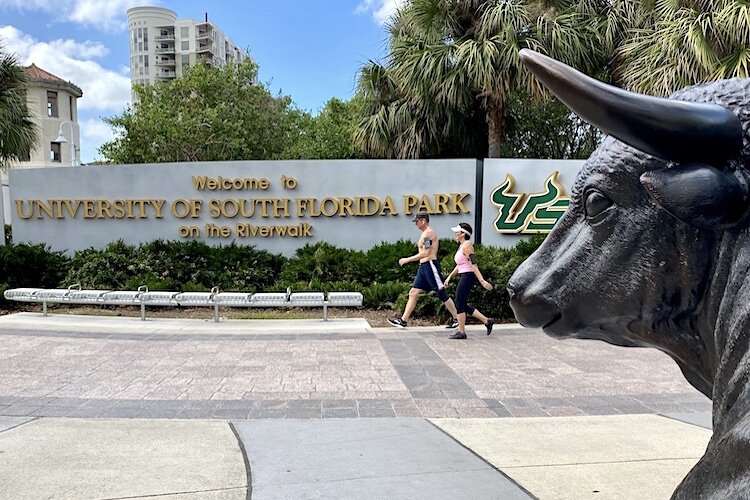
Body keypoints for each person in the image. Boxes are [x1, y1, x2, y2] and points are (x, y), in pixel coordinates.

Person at [387, 213, 459, 328]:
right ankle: (403, 320)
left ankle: (457, 318)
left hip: (430, 265)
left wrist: (407, 260)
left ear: (423, 221)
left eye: (417, 221)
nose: (416, 224)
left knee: (441, 293)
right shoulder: (424, 234)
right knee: (413, 292)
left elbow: (426, 253)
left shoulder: (428, 234)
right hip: (424, 267)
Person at [443, 222, 494, 340]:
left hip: (468, 276)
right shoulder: (461, 246)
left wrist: (482, 281)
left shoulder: (468, 246)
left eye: (457, 232)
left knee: (459, 303)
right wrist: (450, 277)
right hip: (463, 275)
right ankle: (487, 321)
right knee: (462, 304)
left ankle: (461, 332)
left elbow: (474, 265)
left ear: (463, 234)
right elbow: (459, 264)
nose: (455, 233)